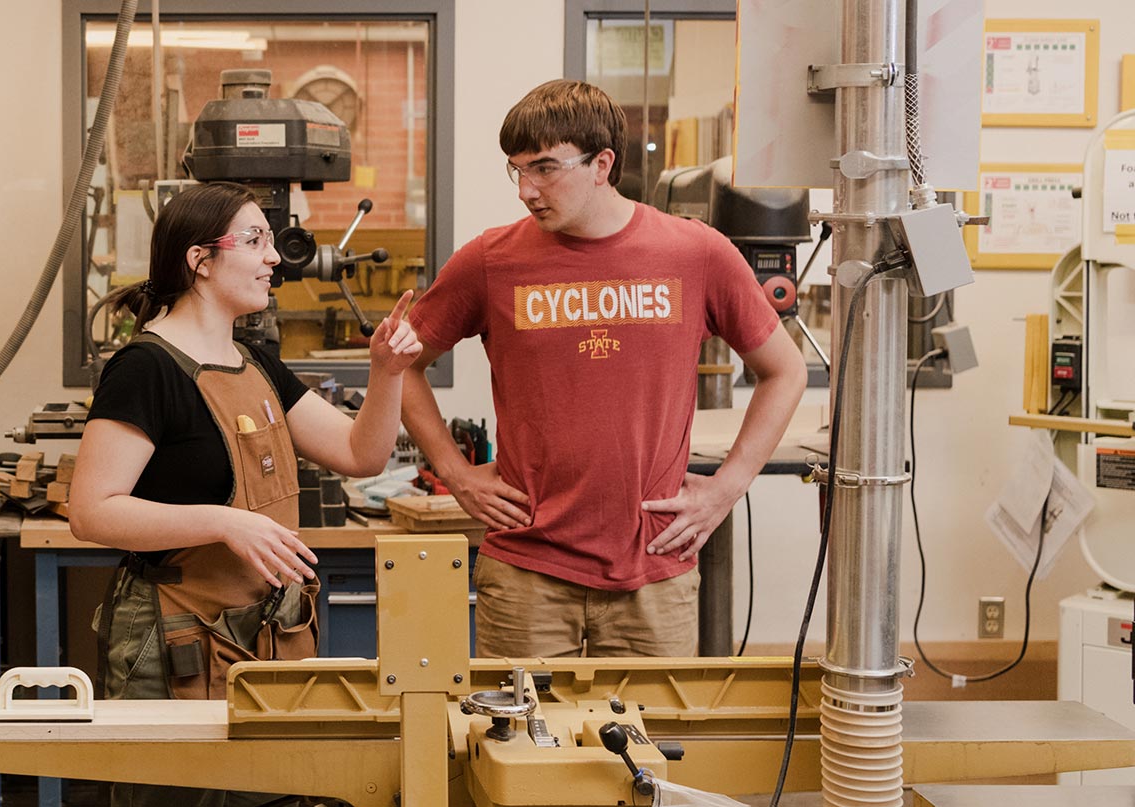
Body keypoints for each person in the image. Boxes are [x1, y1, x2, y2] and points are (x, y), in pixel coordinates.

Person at [397, 80, 806, 659]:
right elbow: (402, 366)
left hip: (655, 569)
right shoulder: (490, 261)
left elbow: (784, 371)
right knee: (517, 747)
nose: (525, 190)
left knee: (646, 745)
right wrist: (454, 472)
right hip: (527, 570)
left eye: (543, 169)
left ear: (602, 164)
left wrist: (727, 488)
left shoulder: (695, 253)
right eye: (515, 170)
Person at [69, 181, 422, 807]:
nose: (273, 258)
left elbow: (361, 455)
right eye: (254, 240)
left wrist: (386, 373)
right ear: (199, 260)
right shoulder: (146, 368)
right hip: (174, 636)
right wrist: (226, 523)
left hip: (267, 637)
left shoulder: (255, 362)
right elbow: (92, 511)